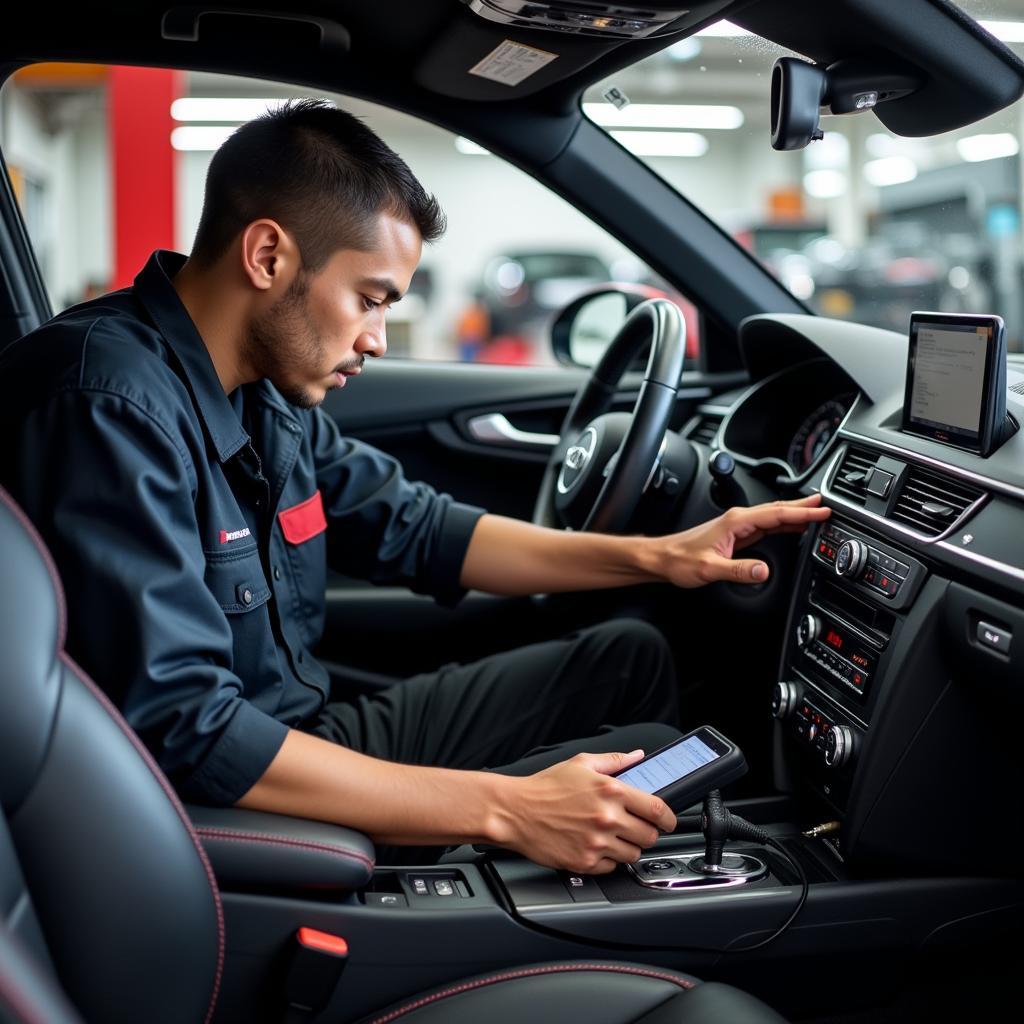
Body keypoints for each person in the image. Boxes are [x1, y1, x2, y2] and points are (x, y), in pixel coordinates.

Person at [0, 100, 829, 875]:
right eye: (369, 299)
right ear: (266, 255)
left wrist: (658, 555)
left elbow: (421, 528)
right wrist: (510, 810)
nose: (378, 338)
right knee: (647, 757)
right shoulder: (107, 405)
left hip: (302, 735)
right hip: (238, 814)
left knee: (630, 656)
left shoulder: (259, 388)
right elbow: (191, 732)